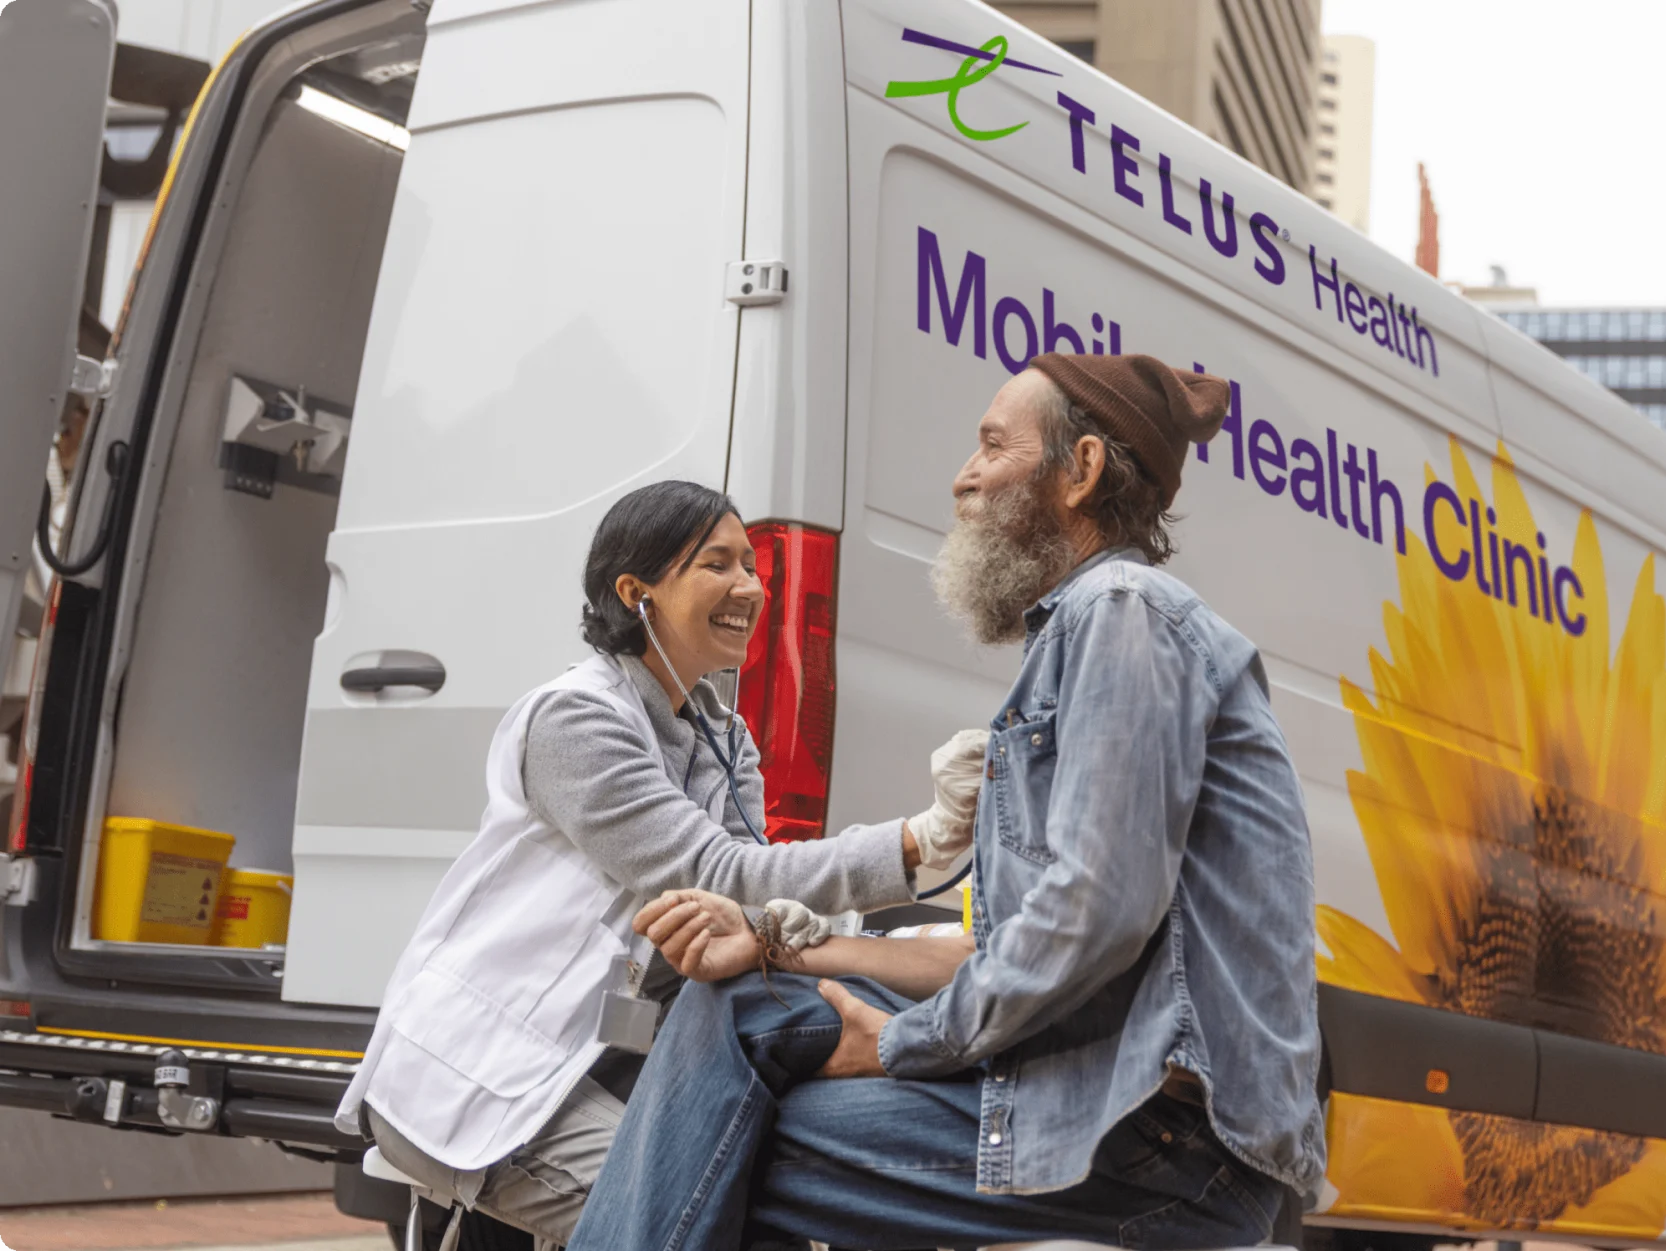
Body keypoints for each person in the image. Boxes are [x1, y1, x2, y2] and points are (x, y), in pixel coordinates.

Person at [565, 355, 1326, 1251]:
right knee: (737, 1002)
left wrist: (900, 1041)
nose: (963, 476)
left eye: (992, 445)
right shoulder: (1089, 629)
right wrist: (779, 942)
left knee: (701, 1143)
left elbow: (1096, 913)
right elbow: (1020, 945)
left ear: (1079, 471)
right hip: (1117, 1117)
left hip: (1162, 1146)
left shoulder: (1122, 613)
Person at [332, 480, 987, 1247]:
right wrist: (924, 839)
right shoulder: (576, 718)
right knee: (716, 1228)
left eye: (751, 563)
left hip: (600, 1073)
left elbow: (749, 893)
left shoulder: (721, 734)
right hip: (483, 1079)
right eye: (718, 564)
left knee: (769, 1204)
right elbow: (716, 872)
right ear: (636, 591)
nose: (750, 584)